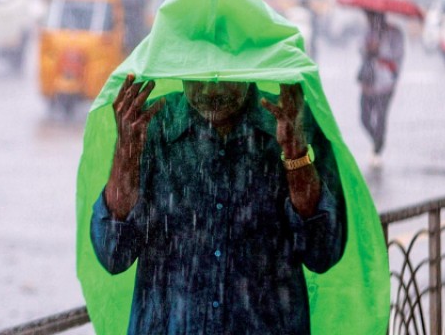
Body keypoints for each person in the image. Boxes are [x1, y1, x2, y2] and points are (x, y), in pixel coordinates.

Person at [90, 74, 346, 334]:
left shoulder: (290, 119)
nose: (211, 89)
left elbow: (323, 252)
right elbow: (113, 254)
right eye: (199, 75)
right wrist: (126, 154)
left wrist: (295, 155)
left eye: (224, 76)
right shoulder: (150, 127)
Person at [357, 10, 404, 167]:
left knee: (381, 117)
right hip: (368, 81)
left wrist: (380, 50)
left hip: (385, 83)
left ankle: (377, 149)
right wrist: (367, 49)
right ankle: (377, 140)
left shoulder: (395, 33)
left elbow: (397, 55)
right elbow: (361, 49)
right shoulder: (368, 31)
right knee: (364, 117)